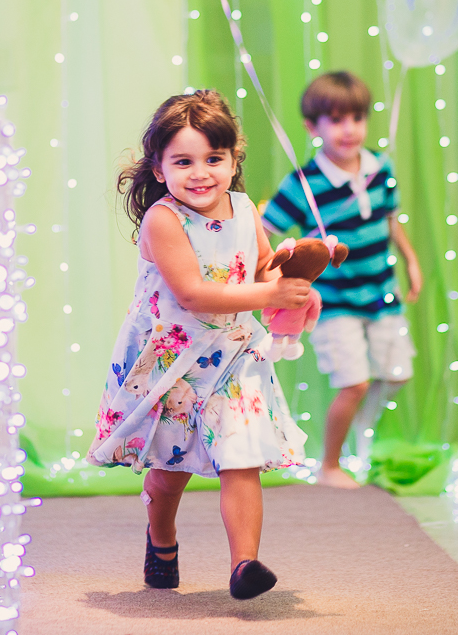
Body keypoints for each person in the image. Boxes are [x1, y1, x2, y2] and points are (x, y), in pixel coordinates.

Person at [87, 90, 309, 599]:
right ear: (160, 170)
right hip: (175, 357)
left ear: (234, 161)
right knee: (169, 473)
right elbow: (193, 292)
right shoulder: (163, 220)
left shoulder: (245, 208)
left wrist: (291, 271)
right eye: (183, 161)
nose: (201, 172)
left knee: (241, 455)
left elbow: (259, 270)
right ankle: (161, 538)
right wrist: (269, 290)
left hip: (234, 351)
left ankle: (244, 565)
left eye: (214, 158)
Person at [262, 71, 422, 490]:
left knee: (398, 373)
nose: (349, 129)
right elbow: (265, 231)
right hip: (334, 301)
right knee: (354, 383)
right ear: (312, 127)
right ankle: (329, 465)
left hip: (382, 293)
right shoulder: (303, 184)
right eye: (335, 120)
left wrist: (411, 261)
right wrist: (274, 277)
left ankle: (358, 439)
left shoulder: (379, 167)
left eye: (356, 117)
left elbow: (390, 219)